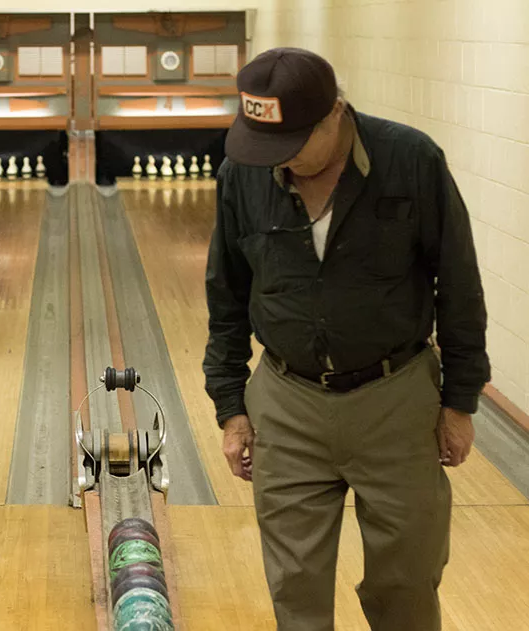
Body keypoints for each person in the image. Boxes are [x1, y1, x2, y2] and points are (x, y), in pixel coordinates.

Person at [203, 48, 488, 630]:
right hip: (286, 399)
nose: (273, 159)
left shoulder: (410, 160)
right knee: (295, 585)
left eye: (288, 143)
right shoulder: (244, 173)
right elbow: (225, 294)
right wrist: (230, 407)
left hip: (396, 397)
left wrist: (459, 403)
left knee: (406, 582)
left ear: (334, 115)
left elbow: (459, 284)